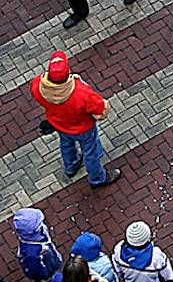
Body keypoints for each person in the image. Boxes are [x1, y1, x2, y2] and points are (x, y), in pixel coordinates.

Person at [31, 49, 119, 187]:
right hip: (84, 129)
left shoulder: (37, 85)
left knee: (66, 145)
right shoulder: (80, 92)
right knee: (91, 153)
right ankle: (97, 179)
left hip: (59, 124)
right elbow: (101, 109)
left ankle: (70, 167)